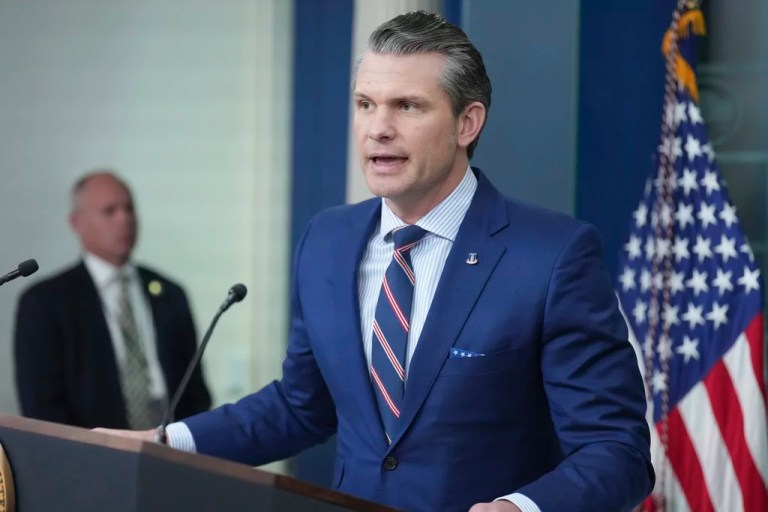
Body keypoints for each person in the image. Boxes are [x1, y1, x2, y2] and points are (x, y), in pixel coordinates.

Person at [100, 11, 653, 512]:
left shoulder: (552, 256)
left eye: (407, 106)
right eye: (366, 104)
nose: (378, 128)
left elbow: (616, 449)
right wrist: (165, 443)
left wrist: (519, 509)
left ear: (467, 123)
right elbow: (301, 406)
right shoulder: (327, 239)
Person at [14, 171, 211, 429]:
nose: (124, 219)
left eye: (129, 209)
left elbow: (195, 391)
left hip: (170, 445)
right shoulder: (45, 303)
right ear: (76, 222)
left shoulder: (170, 294)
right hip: (88, 449)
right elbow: (41, 407)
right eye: (109, 211)